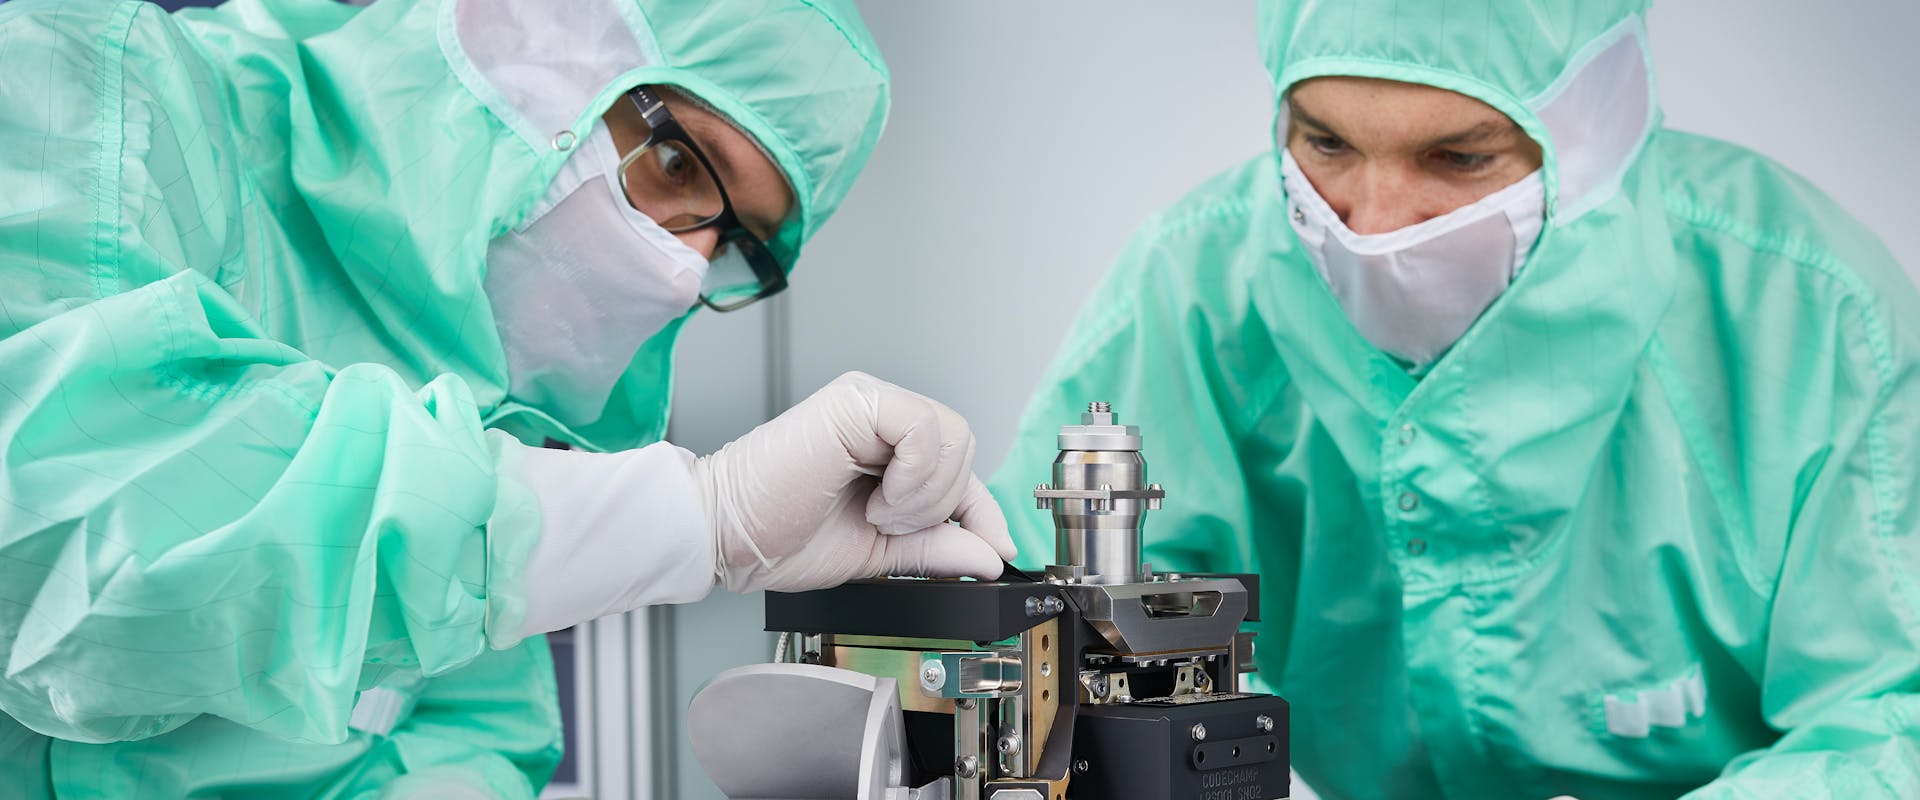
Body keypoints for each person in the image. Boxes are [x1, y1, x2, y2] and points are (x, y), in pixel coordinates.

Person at [0, 0, 1014, 796]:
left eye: (735, 241)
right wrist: (692, 516)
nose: (683, 261)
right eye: (674, 164)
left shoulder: (504, 412)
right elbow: (76, 537)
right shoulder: (90, 93)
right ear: (529, 33)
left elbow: (470, 724)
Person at [990, 0, 1920, 797]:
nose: (1374, 225)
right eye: (1326, 143)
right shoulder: (1192, 294)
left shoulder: (1812, 318)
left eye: (1459, 157)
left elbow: (1893, 720)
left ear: (1597, 135)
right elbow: (1052, 636)